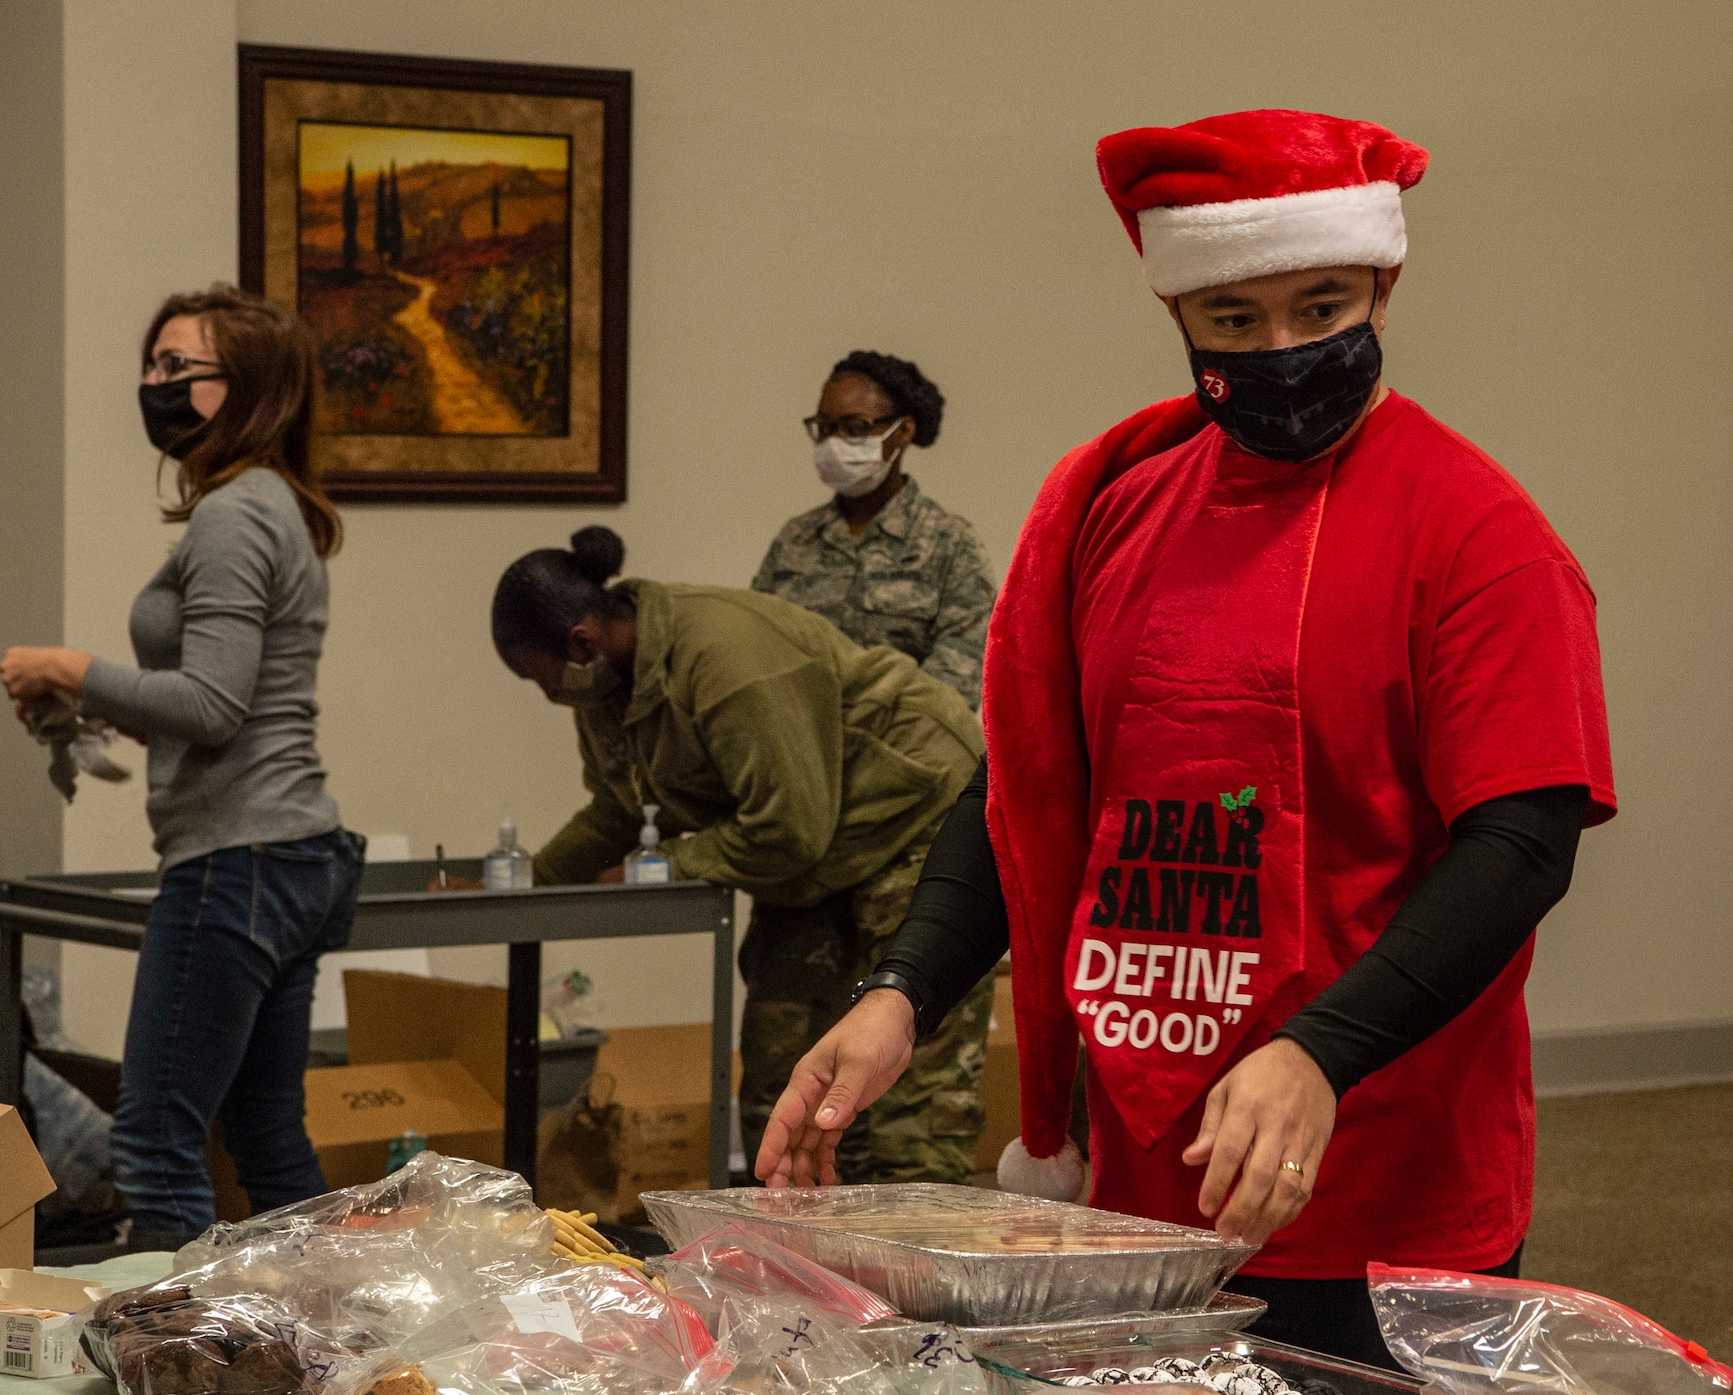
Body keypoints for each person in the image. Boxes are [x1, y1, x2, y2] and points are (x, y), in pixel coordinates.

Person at [754, 110, 1615, 1369]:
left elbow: (1522, 843)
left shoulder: (1477, 537)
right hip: (1139, 1193)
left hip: (1380, 1190)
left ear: (1381, 286)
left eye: (1320, 309)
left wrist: (1321, 1051)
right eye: (1233, 322)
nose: (1281, 351)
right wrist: (901, 995)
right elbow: (1025, 799)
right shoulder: (1114, 513)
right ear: (1181, 321)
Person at [0, 285, 362, 1251]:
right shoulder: (268, 502)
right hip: (293, 852)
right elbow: (221, 703)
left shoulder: (236, 513)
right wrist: (92, 704)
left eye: (176, 369)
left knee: (158, 1139)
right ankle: (331, 1349)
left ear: (243, 387)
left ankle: (182, 1360)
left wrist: (70, 666)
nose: (152, 386)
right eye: (151, 366)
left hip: (239, 862)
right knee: (266, 1135)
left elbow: (212, 704)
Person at [492, 527, 991, 1183]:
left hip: (911, 813)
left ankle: (914, 1264)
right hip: (815, 849)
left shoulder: (727, 660)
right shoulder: (605, 687)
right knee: (780, 1089)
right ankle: (808, 1268)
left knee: (911, 1110)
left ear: (581, 642)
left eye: (542, 679)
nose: (549, 694)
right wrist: (526, 883)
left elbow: (790, 826)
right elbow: (617, 810)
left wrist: (668, 864)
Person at [753, 352, 995, 711]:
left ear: (903, 431)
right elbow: (753, 651)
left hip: (904, 756)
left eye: (855, 428)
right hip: (797, 750)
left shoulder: (949, 543)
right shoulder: (796, 539)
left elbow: (958, 682)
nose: (833, 443)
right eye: (824, 427)